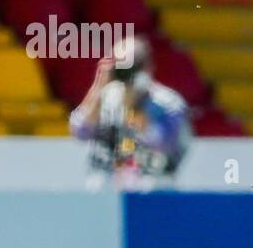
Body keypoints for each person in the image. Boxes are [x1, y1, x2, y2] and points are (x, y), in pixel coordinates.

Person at [69, 36, 190, 182]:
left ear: (148, 67)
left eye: (131, 66)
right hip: (106, 189)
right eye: (119, 65)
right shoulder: (106, 98)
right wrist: (99, 87)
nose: (125, 73)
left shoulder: (167, 103)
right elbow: (80, 131)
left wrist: (134, 105)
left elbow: (163, 143)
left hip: (153, 189)